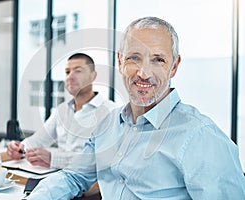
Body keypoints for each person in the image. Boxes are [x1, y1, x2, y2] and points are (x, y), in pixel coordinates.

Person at [27, 17, 245, 199]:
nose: (143, 73)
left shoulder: (202, 137)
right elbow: (73, 176)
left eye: (158, 60)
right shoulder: (107, 123)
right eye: (134, 58)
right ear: (120, 61)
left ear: (174, 67)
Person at [7, 53, 116, 169]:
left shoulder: (109, 111)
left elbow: (102, 158)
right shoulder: (62, 110)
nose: (70, 77)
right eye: (67, 72)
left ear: (93, 76)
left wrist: (53, 159)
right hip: (58, 176)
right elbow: (39, 139)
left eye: (78, 71)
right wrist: (20, 148)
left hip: (91, 183)